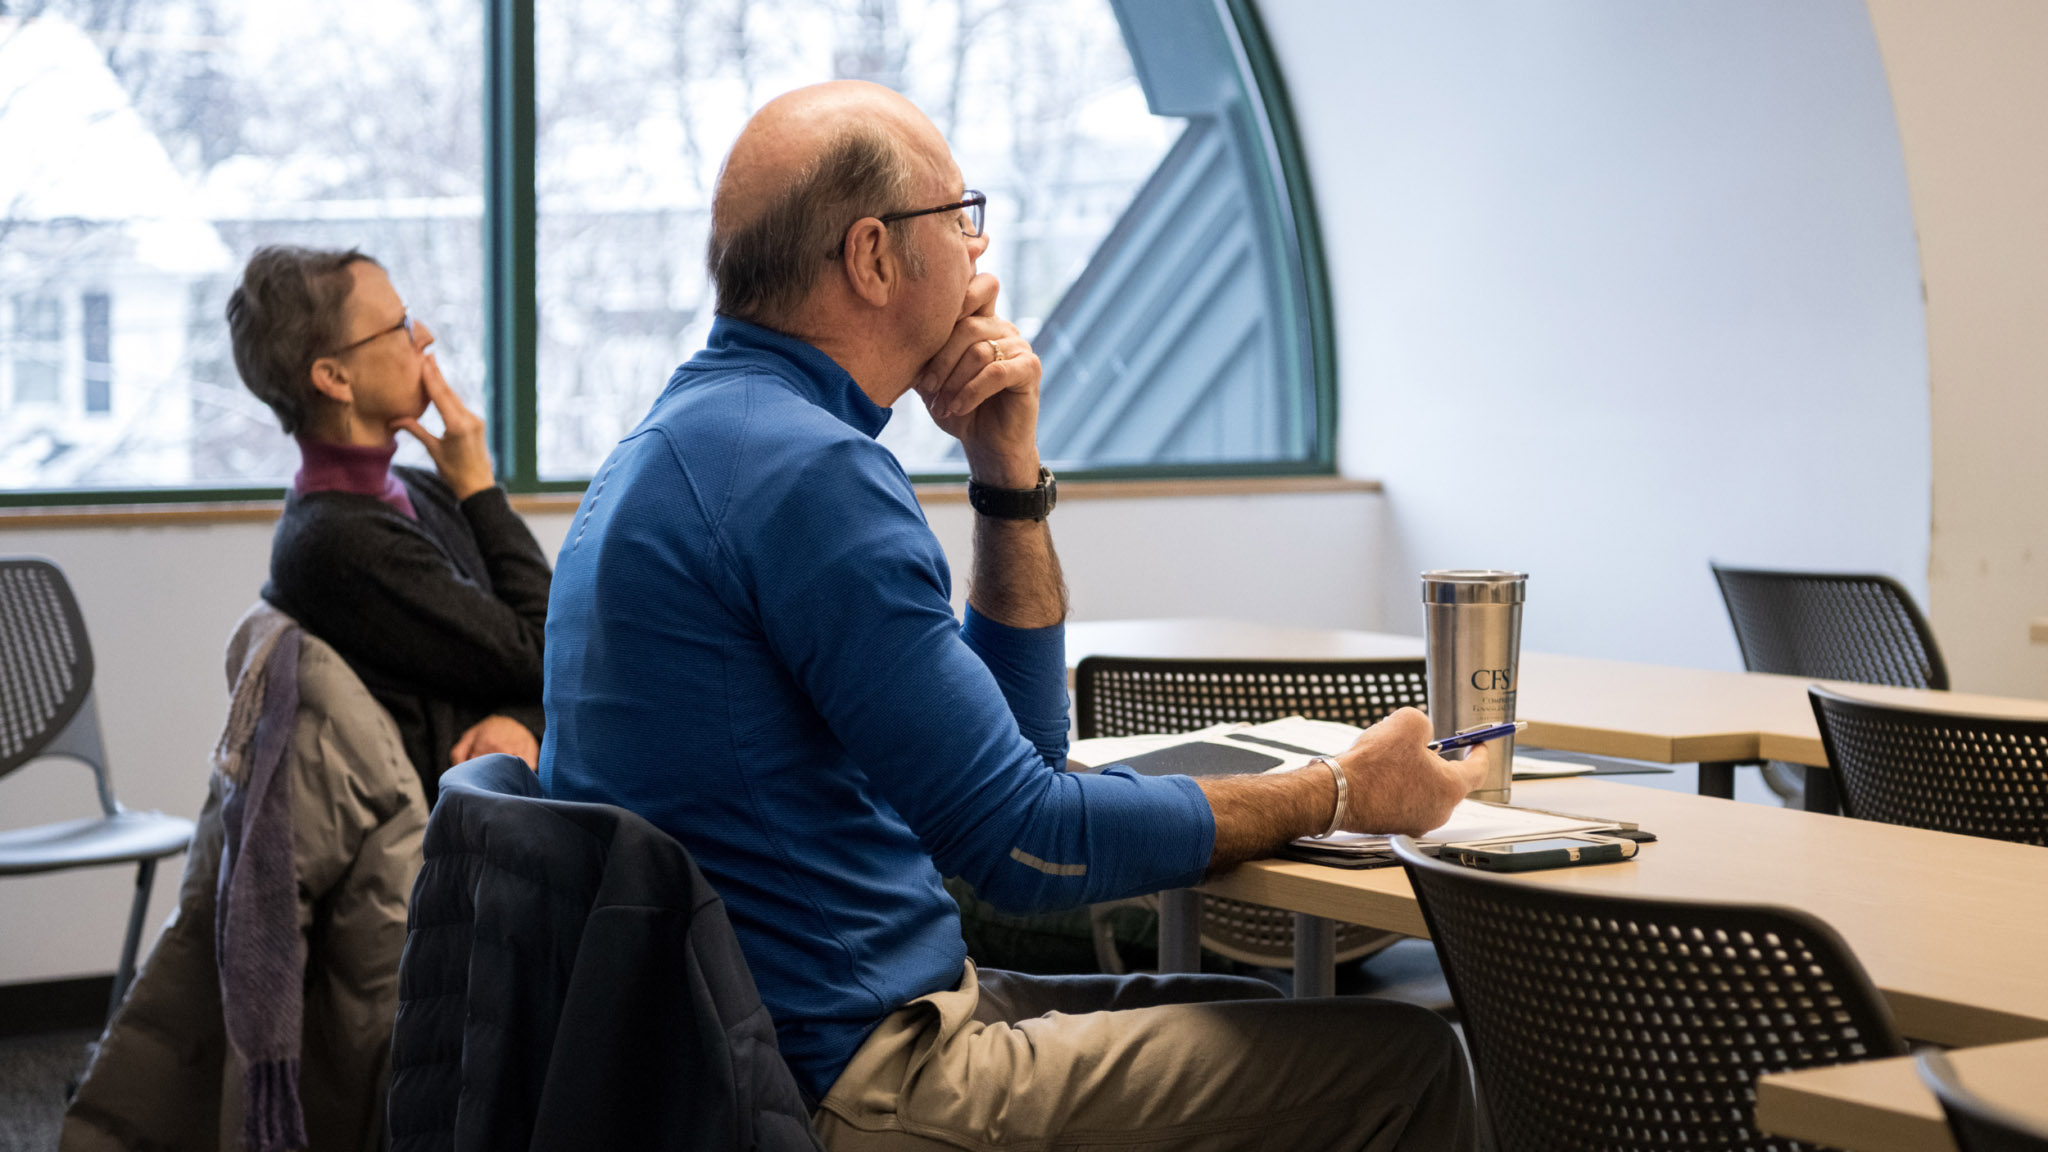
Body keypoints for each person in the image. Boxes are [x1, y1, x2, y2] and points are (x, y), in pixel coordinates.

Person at [542, 81, 1485, 1151]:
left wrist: (1004, 468)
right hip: (846, 1078)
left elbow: (1021, 757)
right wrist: (1339, 790)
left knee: (1274, 1029)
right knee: (1406, 1063)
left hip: (748, 1051)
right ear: (873, 257)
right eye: (958, 216)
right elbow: (1027, 849)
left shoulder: (685, 445)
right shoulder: (806, 476)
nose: (978, 255)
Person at [227, 246, 550, 800]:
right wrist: (479, 489)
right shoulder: (337, 542)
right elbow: (550, 649)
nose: (423, 335)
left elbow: (544, 650)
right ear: (334, 377)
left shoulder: (414, 487)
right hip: (455, 846)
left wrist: (523, 721)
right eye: (399, 325)